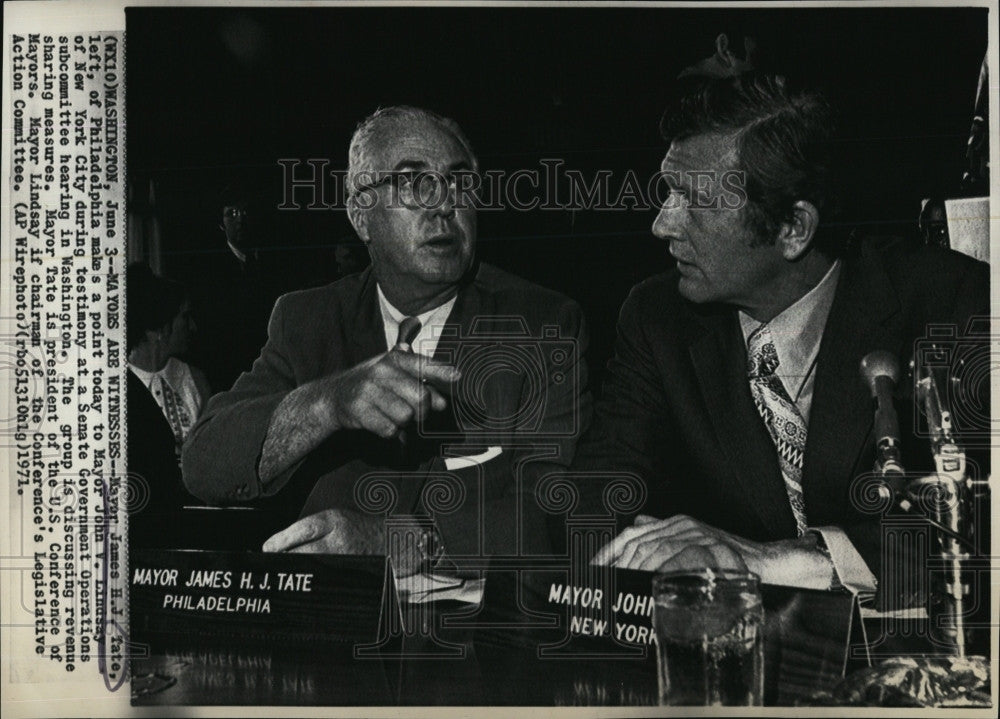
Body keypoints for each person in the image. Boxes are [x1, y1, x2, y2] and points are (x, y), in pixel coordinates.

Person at [572, 72, 989, 608]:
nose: (661, 224)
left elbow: (976, 527)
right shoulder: (657, 319)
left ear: (793, 229)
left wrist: (783, 561)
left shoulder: (954, 305)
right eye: (667, 192)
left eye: (692, 200)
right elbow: (591, 498)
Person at [182, 106, 591, 566]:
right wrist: (328, 403)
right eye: (414, 183)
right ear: (361, 217)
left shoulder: (542, 323)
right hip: (331, 623)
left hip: (472, 625)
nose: (443, 205)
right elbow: (204, 465)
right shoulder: (307, 320)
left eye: (459, 183)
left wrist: (404, 541)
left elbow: (558, 510)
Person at [127, 263, 207, 543]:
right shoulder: (117, 388)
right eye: (185, 317)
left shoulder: (194, 379)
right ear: (159, 329)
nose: (193, 326)